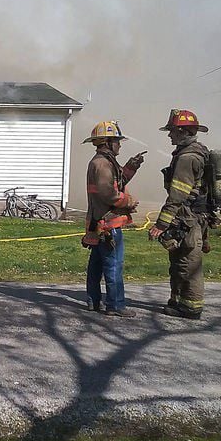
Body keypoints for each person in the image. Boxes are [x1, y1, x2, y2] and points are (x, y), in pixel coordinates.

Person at [148, 109, 211, 320]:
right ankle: (178, 301)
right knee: (179, 262)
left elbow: (177, 196)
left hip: (187, 219)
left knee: (188, 264)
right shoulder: (197, 152)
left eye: (172, 131)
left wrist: (161, 225)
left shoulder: (187, 158)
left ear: (183, 132)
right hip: (191, 218)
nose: (169, 135)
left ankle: (191, 308)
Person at [82, 120, 144, 317]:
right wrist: (129, 202)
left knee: (96, 264)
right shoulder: (102, 164)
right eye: (117, 141)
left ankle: (93, 301)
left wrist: (131, 167)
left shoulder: (104, 162)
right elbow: (108, 193)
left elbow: (117, 181)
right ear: (107, 142)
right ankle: (115, 305)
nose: (119, 145)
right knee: (113, 265)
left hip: (99, 223)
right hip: (108, 225)